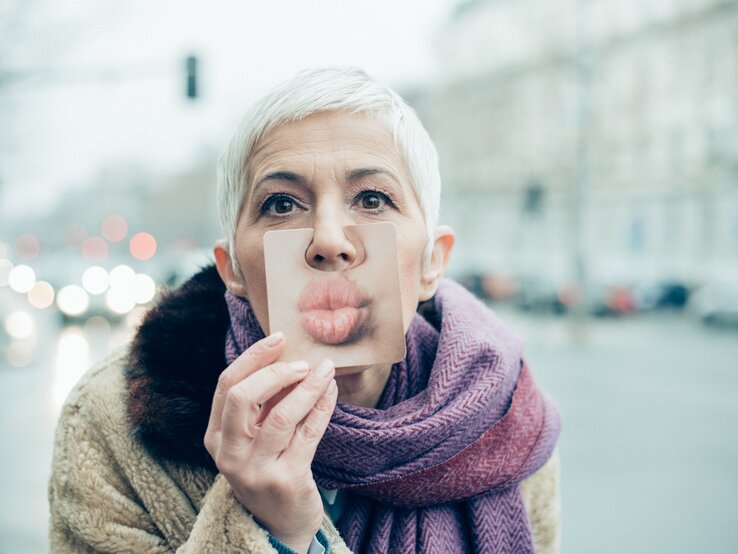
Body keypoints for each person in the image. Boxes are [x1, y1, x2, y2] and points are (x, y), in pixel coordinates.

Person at [49, 67, 561, 554]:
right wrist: (273, 531)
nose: (330, 240)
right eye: (281, 205)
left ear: (432, 263)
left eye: (374, 199)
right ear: (234, 271)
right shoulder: (109, 425)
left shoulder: (504, 425)